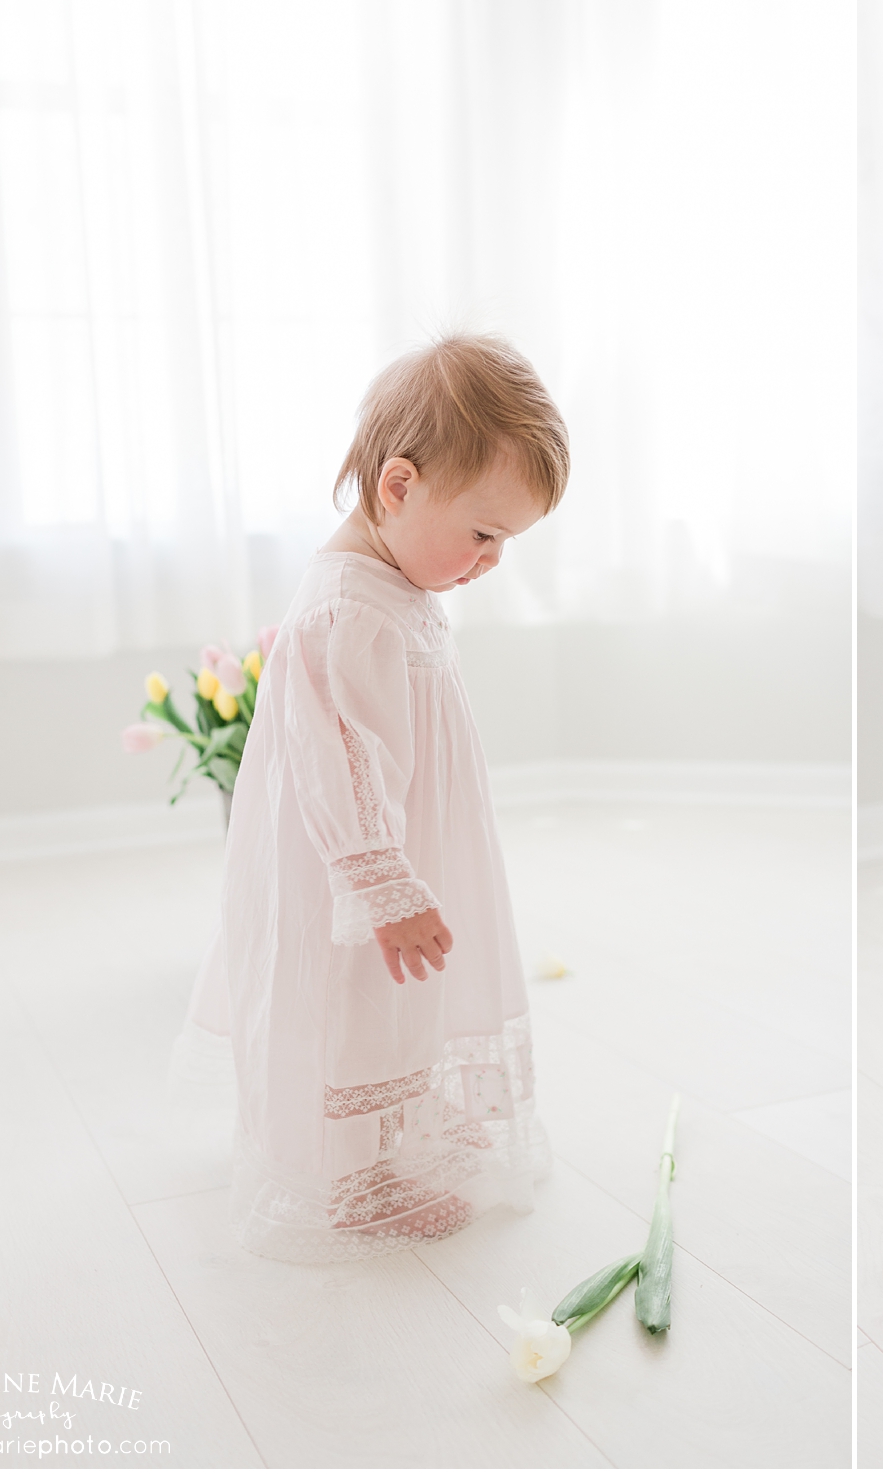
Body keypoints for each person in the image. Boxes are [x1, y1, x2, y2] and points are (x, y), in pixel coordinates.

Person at [175, 333, 568, 1260]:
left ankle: (411, 1125)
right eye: (484, 533)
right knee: (354, 1003)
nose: (492, 561)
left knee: (403, 1004)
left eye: (507, 540)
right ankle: (357, 1176)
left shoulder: (396, 582)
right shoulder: (348, 608)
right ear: (398, 486)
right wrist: (383, 885)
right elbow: (340, 761)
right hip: (352, 869)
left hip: (406, 844)